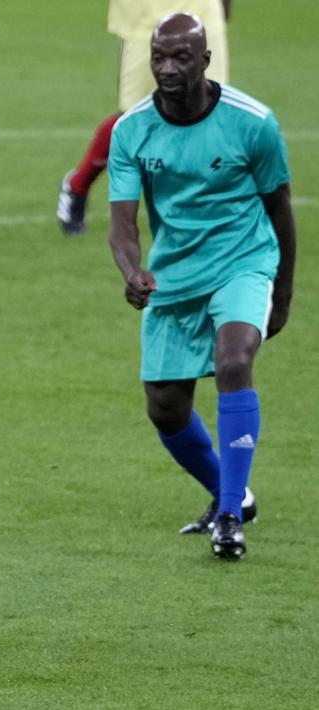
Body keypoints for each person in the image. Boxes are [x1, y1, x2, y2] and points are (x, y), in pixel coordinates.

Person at [107, 13, 295, 560]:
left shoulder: (253, 122)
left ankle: (230, 515)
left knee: (234, 361)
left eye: (180, 57)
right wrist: (132, 271)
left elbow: (280, 211)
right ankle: (229, 492)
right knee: (165, 407)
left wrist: (281, 294)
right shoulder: (132, 129)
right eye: (159, 56)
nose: (166, 68)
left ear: (206, 60)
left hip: (243, 262)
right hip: (175, 273)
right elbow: (122, 222)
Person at [57, 0, 230, 235]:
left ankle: (199, 209)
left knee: (209, 110)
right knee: (131, 119)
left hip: (202, 17)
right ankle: (78, 185)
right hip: (146, 21)